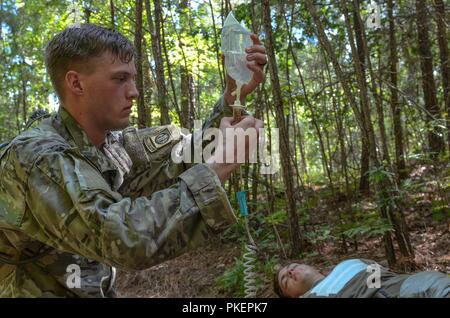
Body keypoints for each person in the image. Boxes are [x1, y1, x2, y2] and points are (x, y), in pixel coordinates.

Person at [0, 23, 266, 297]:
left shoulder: (105, 146)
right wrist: (221, 164)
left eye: (133, 78)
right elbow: (123, 238)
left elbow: (178, 161)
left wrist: (232, 95)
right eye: (119, 79)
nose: (134, 91)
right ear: (76, 83)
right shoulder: (37, 158)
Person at [274, 258, 450, 298]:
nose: (290, 272)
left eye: (292, 267)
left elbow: (385, 273)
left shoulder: (349, 263)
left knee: (433, 283)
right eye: (285, 280)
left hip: (400, 288)